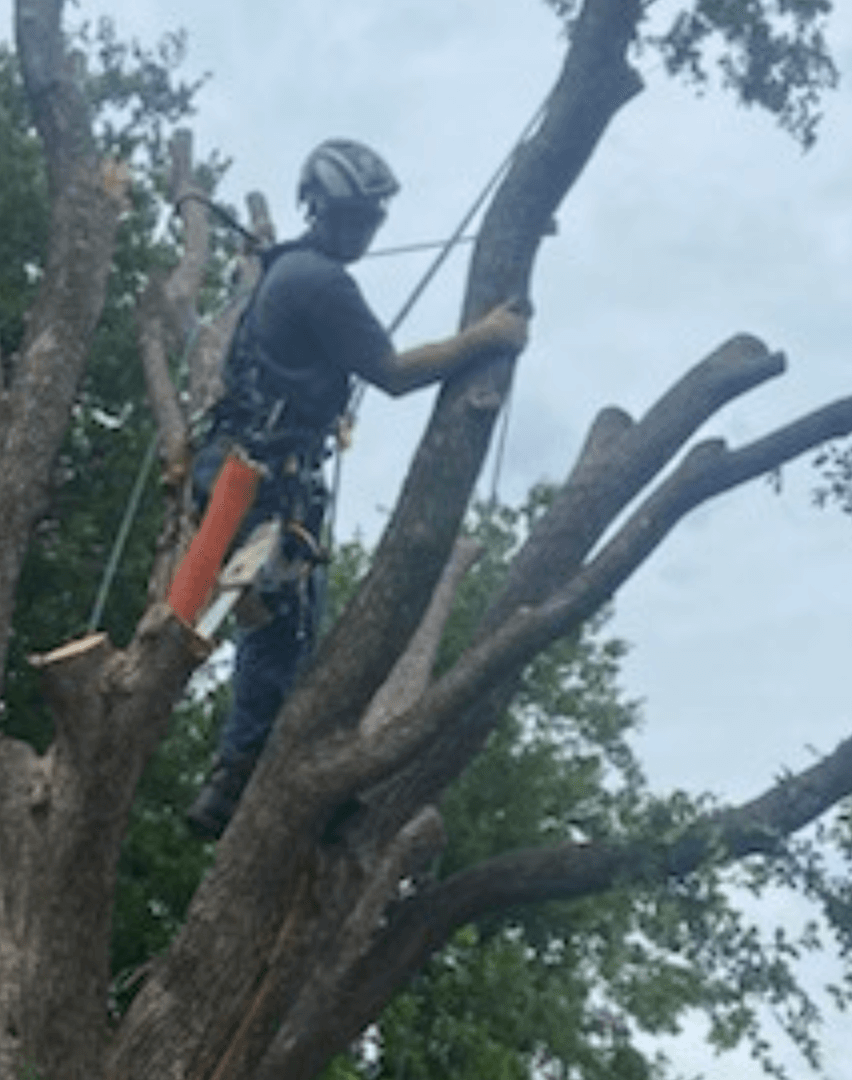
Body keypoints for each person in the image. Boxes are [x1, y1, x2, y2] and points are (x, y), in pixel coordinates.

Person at [184, 138, 531, 838]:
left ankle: (293, 780)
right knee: (279, 635)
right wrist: (487, 337)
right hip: (257, 479)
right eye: (357, 218)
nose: (368, 231)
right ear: (322, 211)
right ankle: (233, 779)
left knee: (301, 630)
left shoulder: (291, 271)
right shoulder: (317, 279)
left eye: (374, 218)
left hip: (256, 472)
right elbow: (394, 373)